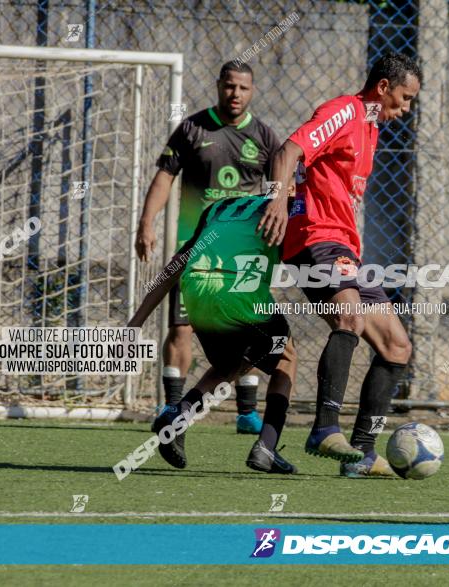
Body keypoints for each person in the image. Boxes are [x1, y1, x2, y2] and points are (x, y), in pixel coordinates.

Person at [256, 52, 422, 477]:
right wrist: (278, 198)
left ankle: (363, 452)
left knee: (397, 346)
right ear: (383, 87)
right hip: (315, 236)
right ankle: (324, 427)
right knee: (349, 316)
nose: (403, 111)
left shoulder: (371, 130)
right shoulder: (344, 111)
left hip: (345, 248)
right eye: (403, 99)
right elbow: (288, 150)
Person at [135, 60, 281, 434]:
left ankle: (247, 412)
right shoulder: (192, 128)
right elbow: (165, 176)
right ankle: (171, 407)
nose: (236, 94)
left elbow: (277, 196)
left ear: (253, 90)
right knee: (182, 329)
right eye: (230, 86)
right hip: (196, 248)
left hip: (244, 255)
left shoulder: (265, 138)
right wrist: (147, 222)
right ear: (219, 86)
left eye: (244, 88)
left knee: (250, 328)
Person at [128, 193, 298, 474]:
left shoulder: (222, 206)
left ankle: (178, 415)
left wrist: (136, 321)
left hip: (195, 290)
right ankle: (266, 447)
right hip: (238, 289)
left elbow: (176, 263)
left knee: (229, 365)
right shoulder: (294, 207)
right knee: (286, 358)